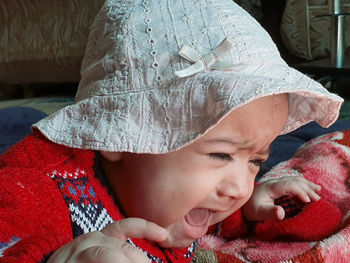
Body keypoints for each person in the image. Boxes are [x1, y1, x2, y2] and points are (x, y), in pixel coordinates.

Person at [0, 0, 343, 262]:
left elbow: (198, 217)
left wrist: (247, 209)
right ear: (119, 133)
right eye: (221, 154)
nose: (239, 186)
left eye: (255, 160)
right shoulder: (30, 194)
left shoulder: (170, 194)